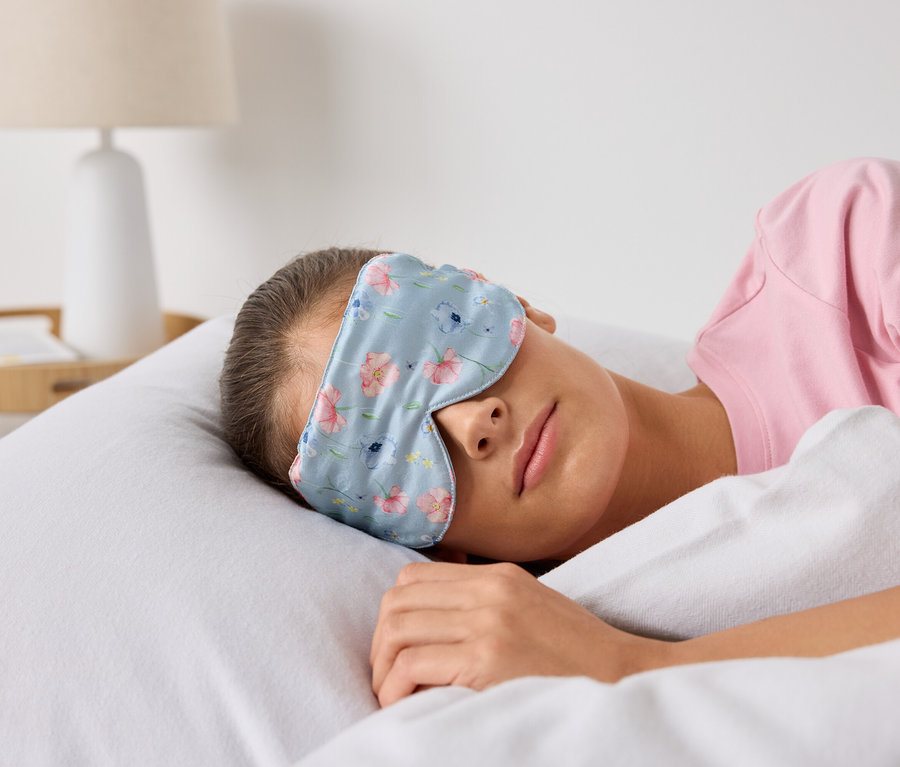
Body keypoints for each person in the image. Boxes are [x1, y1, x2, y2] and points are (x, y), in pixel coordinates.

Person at [220, 157, 900, 708]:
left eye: (440, 342)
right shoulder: (530, 672)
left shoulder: (838, 253)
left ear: (516, 304)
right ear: (436, 551)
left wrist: (640, 667)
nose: (471, 422)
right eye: (391, 457)